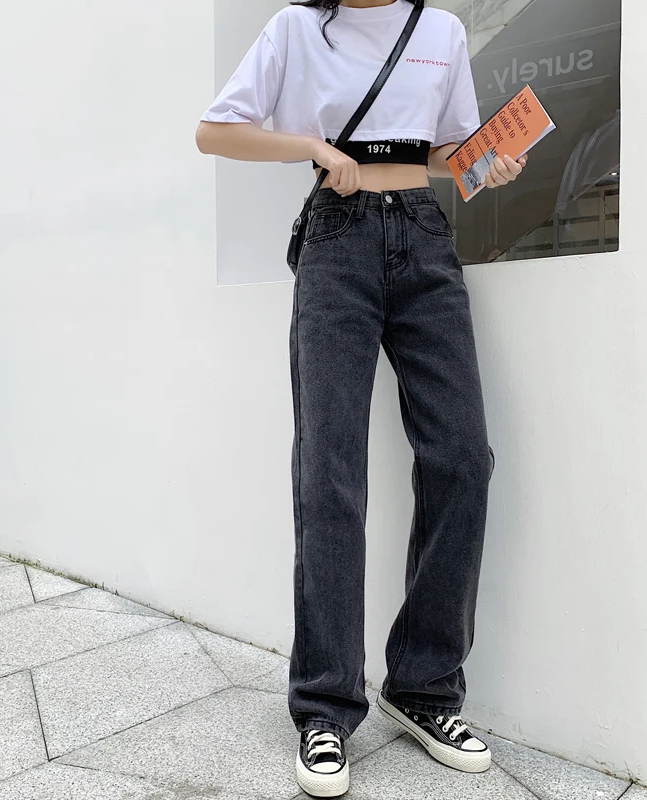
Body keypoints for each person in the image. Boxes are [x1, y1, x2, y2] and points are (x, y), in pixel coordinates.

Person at [196, 1, 526, 796]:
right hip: (336, 240)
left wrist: (485, 163)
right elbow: (215, 130)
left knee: (462, 459)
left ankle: (423, 687)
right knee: (330, 473)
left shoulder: (442, 31)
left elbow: (446, 151)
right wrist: (312, 146)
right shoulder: (296, 28)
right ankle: (324, 706)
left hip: (424, 237)